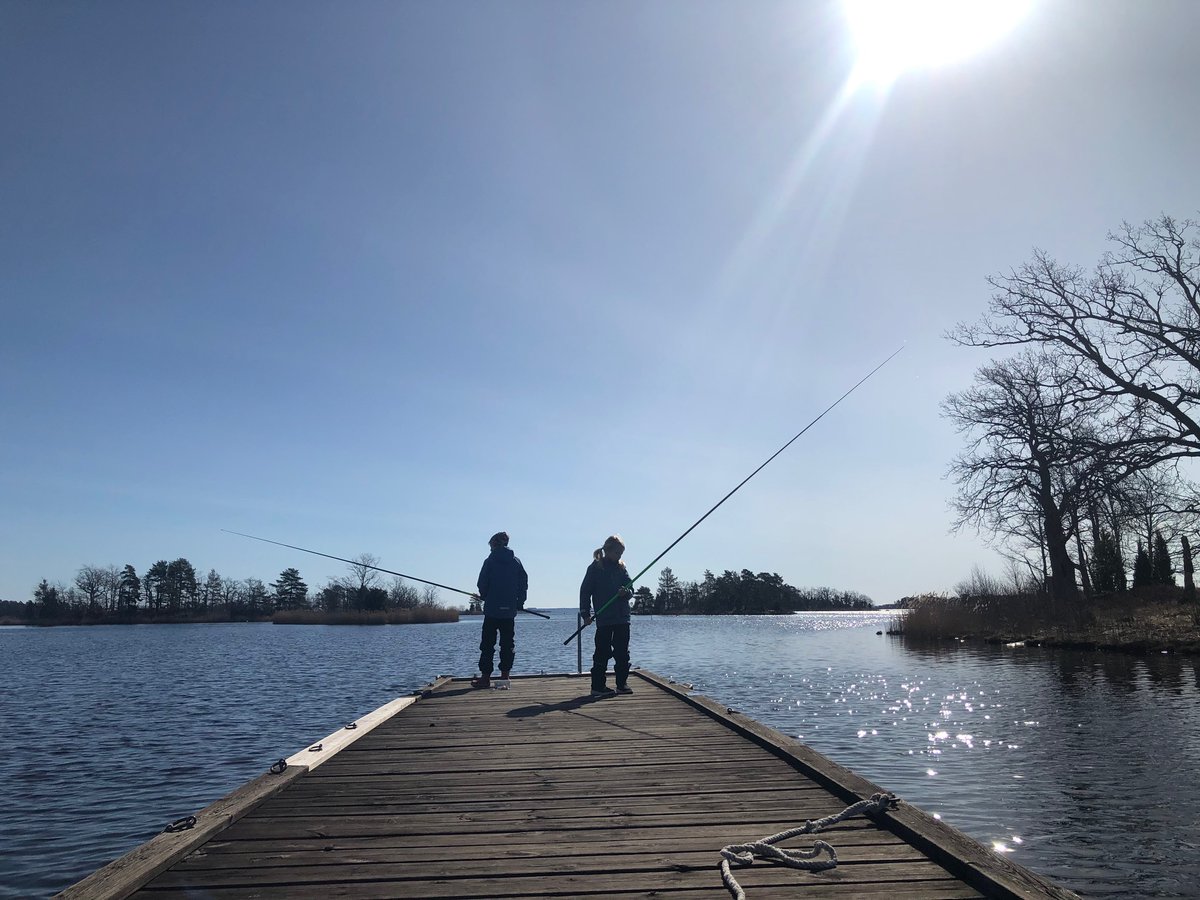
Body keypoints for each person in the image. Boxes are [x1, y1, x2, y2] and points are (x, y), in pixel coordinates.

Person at [471, 531, 528, 689]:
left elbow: (482, 582)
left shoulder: (489, 561)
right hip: (509, 612)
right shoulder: (516, 562)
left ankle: (485, 678)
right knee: (507, 644)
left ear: (494, 544)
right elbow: (523, 583)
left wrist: (485, 595)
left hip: (492, 610)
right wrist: (520, 602)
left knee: (487, 645)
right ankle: (505, 676)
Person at [579, 534, 634, 696]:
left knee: (622, 653)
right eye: (617, 553)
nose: (619, 556)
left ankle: (622, 684)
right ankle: (597, 686)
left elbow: (631, 589)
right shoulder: (595, 568)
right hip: (604, 618)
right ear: (608, 551)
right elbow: (585, 592)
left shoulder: (622, 568)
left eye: (621, 554)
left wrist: (626, 592)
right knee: (602, 652)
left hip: (622, 618)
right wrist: (585, 613)